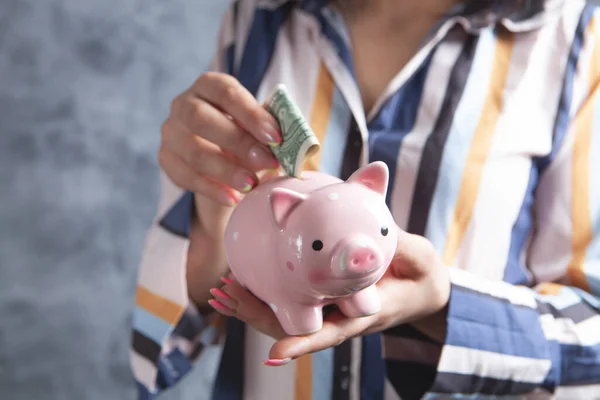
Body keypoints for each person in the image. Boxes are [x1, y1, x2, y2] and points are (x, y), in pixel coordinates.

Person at [130, 0, 600, 398]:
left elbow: (592, 333)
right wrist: (219, 221)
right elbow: (196, 309)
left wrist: (445, 307)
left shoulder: (577, 31)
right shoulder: (262, 14)